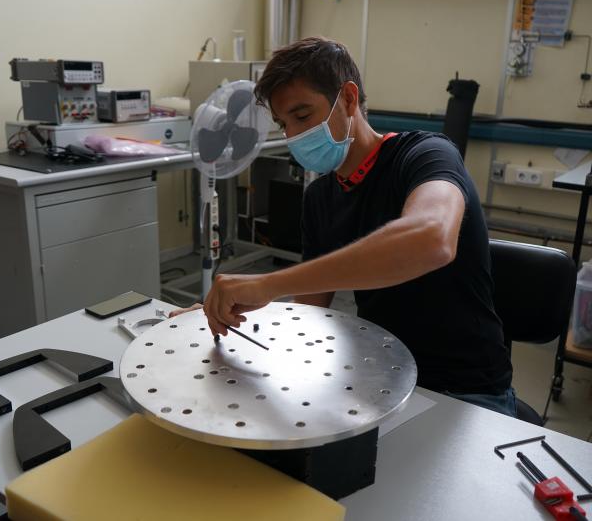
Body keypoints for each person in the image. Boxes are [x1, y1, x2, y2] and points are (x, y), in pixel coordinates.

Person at [171, 37, 515, 417]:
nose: (293, 137)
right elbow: (309, 317)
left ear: (349, 99)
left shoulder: (425, 155)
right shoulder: (320, 199)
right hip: (385, 376)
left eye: (302, 116)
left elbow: (431, 239)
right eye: (284, 124)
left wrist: (267, 283)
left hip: (465, 391)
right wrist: (227, 315)